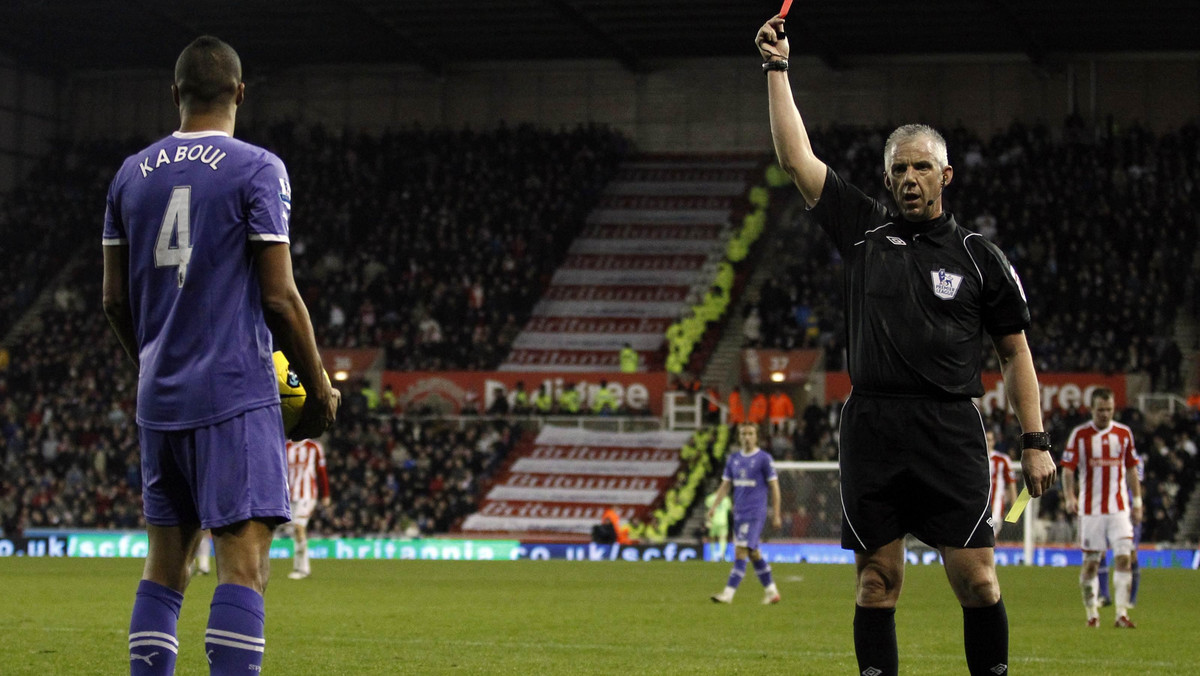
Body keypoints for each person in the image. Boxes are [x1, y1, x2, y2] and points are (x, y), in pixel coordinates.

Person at [755, 15, 1056, 675]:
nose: (912, 177)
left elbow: (1015, 352)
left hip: (950, 427)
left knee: (977, 579)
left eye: (924, 166)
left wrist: (1035, 443)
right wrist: (778, 69)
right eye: (902, 168)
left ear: (946, 176)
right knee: (875, 582)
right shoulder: (861, 228)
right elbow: (795, 160)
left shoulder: (981, 256)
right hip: (874, 427)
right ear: (888, 178)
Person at [102, 36, 340, 675]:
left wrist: (152, 365)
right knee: (245, 566)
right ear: (239, 93)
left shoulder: (129, 174)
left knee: (165, 567)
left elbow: (112, 302)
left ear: (174, 93)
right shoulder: (257, 167)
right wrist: (317, 388)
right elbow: (280, 296)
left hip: (161, 398)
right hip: (234, 395)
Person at [1061, 387, 1142, 628]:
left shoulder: (1124, 434)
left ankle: (1121, 614)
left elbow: (1131, 470)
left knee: (1124, 559)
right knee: (1091, 564)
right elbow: (1067, 469)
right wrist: (1069, 497)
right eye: (1100, 410)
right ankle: (1092, 613)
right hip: (1091, 509)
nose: (1105, 414)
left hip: (1119, 508)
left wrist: (1137, 502)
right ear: (1092, 409)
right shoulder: (1080, 435)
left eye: (1109, 409)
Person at [707, 423, 782, 605]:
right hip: (739, 513)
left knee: (740, 551)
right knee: (753, 552)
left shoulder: (764, 459)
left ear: (756, 437)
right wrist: (714, 506)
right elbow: (726, 485)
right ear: (739, 437)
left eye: (750, 433)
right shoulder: (733, 459)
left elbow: (774, 486)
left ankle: (728, 594)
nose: (747, 437)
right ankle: (772, 592)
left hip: (755, 512)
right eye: (743, 434)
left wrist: (777, 513)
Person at [285, 437, 330, 580]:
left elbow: (321, 471)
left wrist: (326, 494)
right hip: (289, 496)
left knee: (299, 527)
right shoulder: (285, 447)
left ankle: (303, 569)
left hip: (307, 494)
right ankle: (299, 567)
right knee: (294, 530)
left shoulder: (314, 447)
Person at [987, 431, 1018, 537]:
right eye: (986, 439)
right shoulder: (975, 458)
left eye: (990, 440)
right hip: (977, 506)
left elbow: (1012, 485)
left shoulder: (1003, 460)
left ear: (994, 442)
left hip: (996, 507)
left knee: (990, 538)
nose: (987, 443)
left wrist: (1015, 512)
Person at [704, 486, 733, 563]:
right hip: (723, 521)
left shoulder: (710, 498)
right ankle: (722, 555)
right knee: (722, 538)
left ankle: (712, 557)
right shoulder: (726, 499)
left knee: (712, 539)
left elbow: (707, 508)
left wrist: (708, 520)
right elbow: (729, 509)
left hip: (713, 521)